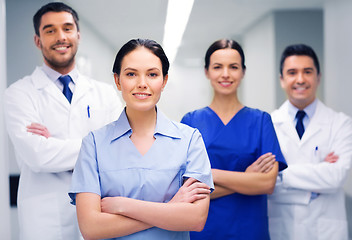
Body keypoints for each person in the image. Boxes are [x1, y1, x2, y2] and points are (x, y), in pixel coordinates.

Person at [68, 38, 214, 239]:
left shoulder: (189, 140)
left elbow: (196, 219)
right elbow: (91, 228)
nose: (142, 84)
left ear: (164, 81)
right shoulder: (93, 144)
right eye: (131, 74)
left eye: (152, 74)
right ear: (118, 81)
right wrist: (171, 208)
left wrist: (123, 205)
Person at [3, 2, 122, 239]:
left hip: (99, 210)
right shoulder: (18, 94)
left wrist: (54, 144)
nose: (61, 37)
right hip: (45, 219)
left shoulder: (105, 93)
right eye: (50, 30)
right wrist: (98, 146)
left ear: (78, 34)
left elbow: (120, 148)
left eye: (67, 28)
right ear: (38, 40)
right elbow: (37, 156)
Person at [181, 39, 287, 240]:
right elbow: (186, 191)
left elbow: (267, 184)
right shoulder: (191, 121)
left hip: (249, 231)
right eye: (217, 67)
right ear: (207, 72)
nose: (226, 74)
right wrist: (246, 178)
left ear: (243, 72)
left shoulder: (261, 121)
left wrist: (209, 174)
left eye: (234, 67)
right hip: (204, 231)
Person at [268, 44, 352, 240]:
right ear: (282, 79)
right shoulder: (269, 124)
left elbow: (336, 176)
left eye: (307, 72)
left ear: (318, 77)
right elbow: (265, 183)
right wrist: (318, 174)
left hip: (326, 230)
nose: (300, 79)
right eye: (292, 72)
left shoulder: (341, 123)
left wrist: (280, 174)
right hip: (282, 229)